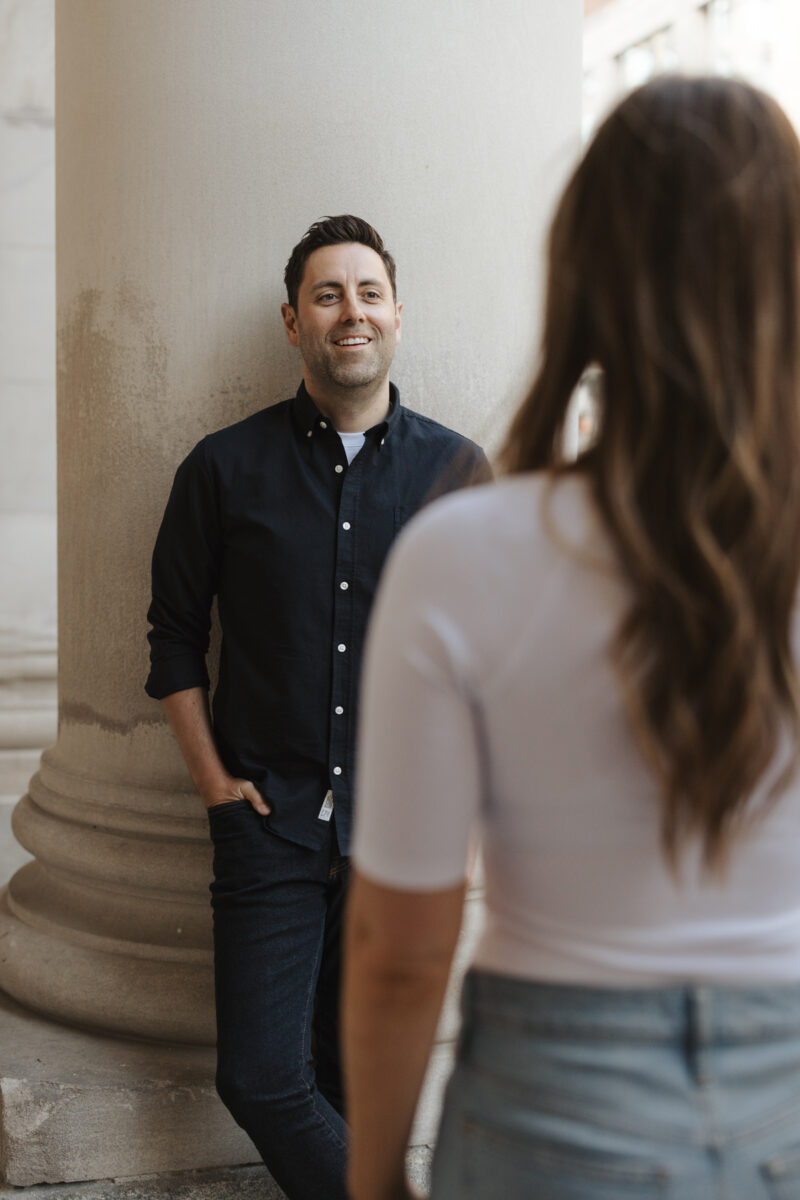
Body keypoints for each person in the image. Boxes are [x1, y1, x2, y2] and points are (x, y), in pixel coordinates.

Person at [344, 77, 800, 1200]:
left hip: (550, 1111)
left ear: (583, 279)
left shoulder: (462, 553)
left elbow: (400, 950)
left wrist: (369, 1179)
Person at [144, 214, 488, 1200]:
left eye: (367, 292)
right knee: (260, 1076)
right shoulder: (221, 467)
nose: (350, 312)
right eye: (327, 294)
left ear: (395, 314)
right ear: (293, 320)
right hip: (269, 824)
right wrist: (213, 782)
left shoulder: (457, 473)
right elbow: (172, 633)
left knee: (350, 1078)